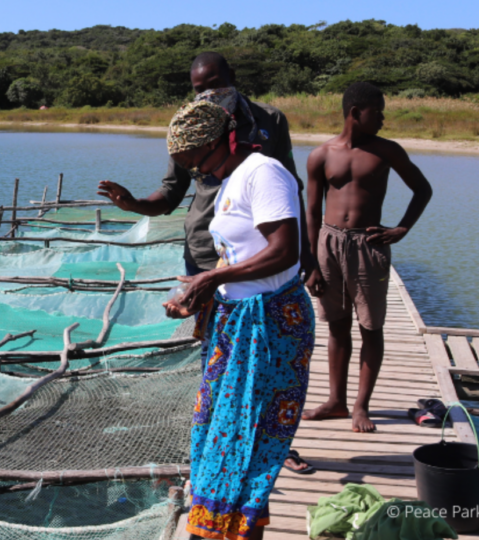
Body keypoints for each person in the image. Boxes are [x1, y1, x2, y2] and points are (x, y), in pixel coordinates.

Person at [98, 51, 315, 475]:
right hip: (205, 250)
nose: (208, 94)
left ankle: (269, 443)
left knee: (265, 362)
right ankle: (220, 439)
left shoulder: (268, 125)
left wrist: (304, 251)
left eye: (214, 84)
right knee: (218, 356)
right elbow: (171, 193)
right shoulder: (191, 128)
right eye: (199, 89)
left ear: (232, 78)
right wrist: (134, 205)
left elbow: (291, 189)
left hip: (261, 259)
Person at [163, 100, 315, 540]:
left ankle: (226, 531)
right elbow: (242, 256)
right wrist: (204, 293)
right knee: (218, 435)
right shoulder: (230, 178)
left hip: (270, 327)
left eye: (197, 163)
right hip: (238, 321)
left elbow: (285, 252)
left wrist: (213, 275)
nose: (197, 174)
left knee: (246, 444)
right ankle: (218, 528)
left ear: (222, 141)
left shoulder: (263, 173)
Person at [302, 82, 432, 433]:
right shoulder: (321, 155)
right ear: (356, 113)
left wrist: (402, 228)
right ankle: (336, 402)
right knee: (336, 325)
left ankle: (361, 406)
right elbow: (312, 212)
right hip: (329, 245)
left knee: (370, 326)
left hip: (368, 245)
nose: (383, 119)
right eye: (378, 111)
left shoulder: (387, 151)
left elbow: (423, 189)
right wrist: (311, 263)